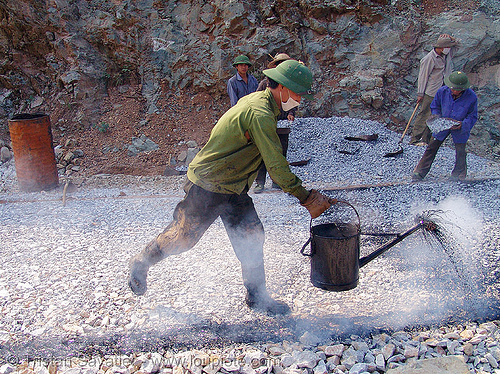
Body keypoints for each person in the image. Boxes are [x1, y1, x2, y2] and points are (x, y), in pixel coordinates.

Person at [128, 60, 333, 315]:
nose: (300, 100)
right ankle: (141, 262)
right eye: (297, 94)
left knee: (252, 236)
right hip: (209, 183)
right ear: (280, 88)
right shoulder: (259, 113)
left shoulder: (267, 105)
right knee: (183, 237)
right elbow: (277, 168)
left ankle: (256, 297)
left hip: (233, 186)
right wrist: (307, 197)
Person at [412, 71, 477, 182]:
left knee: (460, 150)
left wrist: (462, 124)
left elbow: (472, 116)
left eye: (457, 89)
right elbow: (435, 106)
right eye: (452, 88)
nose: (454, 91)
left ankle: (459, 175)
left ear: (463, 89)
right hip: (443, 123)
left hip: (459, 125)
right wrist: (438, 118)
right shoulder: (442, 91)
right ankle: (419, 172)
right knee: (432, 147)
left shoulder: (471, 97)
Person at [254, 53, 296, 193]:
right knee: (263, 152)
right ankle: (260, 182)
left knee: (281, 153)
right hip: (267, 123)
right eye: (280, 63)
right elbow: (257, 100)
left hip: (283, 124)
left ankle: (277, 181)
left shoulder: (290, 83)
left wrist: (291, 113)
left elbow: (293, 101)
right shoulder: (265, 83)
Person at [410, 34, 460, 146]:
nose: (449, 49)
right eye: (447, 47)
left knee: (436, 116)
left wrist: (452, 38)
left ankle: (426, 140)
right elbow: (423, 77)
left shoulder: (447, 55)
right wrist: (420, 93)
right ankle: (414, 139)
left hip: (444, 91)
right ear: (441, 47)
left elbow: (458, 46)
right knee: (424, 115)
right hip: (431, 92)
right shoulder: (429, 59)